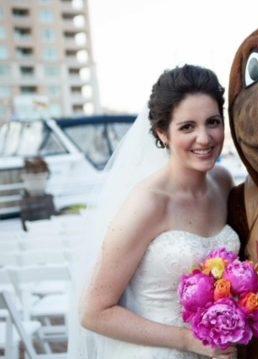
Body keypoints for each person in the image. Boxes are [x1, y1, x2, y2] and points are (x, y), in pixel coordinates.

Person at [69, 64, 239, 358]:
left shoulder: (222, 182)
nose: (205, 138)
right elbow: (94, 312)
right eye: (187, 127)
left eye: (212, 122)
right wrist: (187, 340)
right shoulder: (147, 203)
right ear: (163, 133)